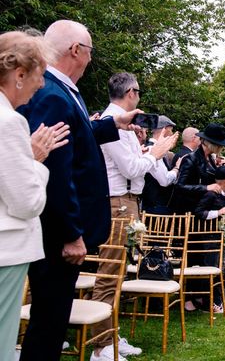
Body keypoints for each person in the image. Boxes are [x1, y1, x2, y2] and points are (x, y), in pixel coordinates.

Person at [18, 20, 135, 361]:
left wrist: (112, 124)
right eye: (90, 51)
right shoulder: (53, 93)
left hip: (57, 230)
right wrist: (70, 232)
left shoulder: (62, 90)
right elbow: (56, 169)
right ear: (76, 51)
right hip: (57, 234)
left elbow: (77, 137)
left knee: (53, 319)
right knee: (49, 321)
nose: (90, 60)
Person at [92, 73, 178, 361]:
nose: (140, 97)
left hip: (127, 202)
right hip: (117, 203)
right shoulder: (111, 122)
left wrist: (145, 149)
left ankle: (111, 336)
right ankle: (101, 346)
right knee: (108, 275)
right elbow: (130, 169)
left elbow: (132, 164)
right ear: (131, 92)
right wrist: (155, 152)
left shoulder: (124, 124)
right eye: (138, 91)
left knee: (117, 274)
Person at [0, 31, 69, 361]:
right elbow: (27, 202)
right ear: (19, 74)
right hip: (6, 251)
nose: (41, 85)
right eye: (39, 74)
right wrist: (36, 161)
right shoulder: (9, 122)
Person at [193, 165, 225, 314]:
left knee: (220, 270)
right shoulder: (211, 194)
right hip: (209, 237)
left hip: (220, 236)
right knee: (212, 270)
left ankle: (217, 302)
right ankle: (211, 303)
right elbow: (198, 212)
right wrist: (217, 212)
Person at [173, 123, 225, 215]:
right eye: (219, 145)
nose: (221, 147)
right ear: (212, 144)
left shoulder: (210, 158)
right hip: (190, 212)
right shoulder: (190, 159)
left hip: (206, 209)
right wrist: (206, 187)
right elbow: (180, 186)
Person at [141, 115, 178, 214]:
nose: (172, 134)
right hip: (155, 208)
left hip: (156, 206)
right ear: (165, 130)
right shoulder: (152, 150)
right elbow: (164, 180)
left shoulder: (152, 148)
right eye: (171, 130)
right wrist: (176, 168)